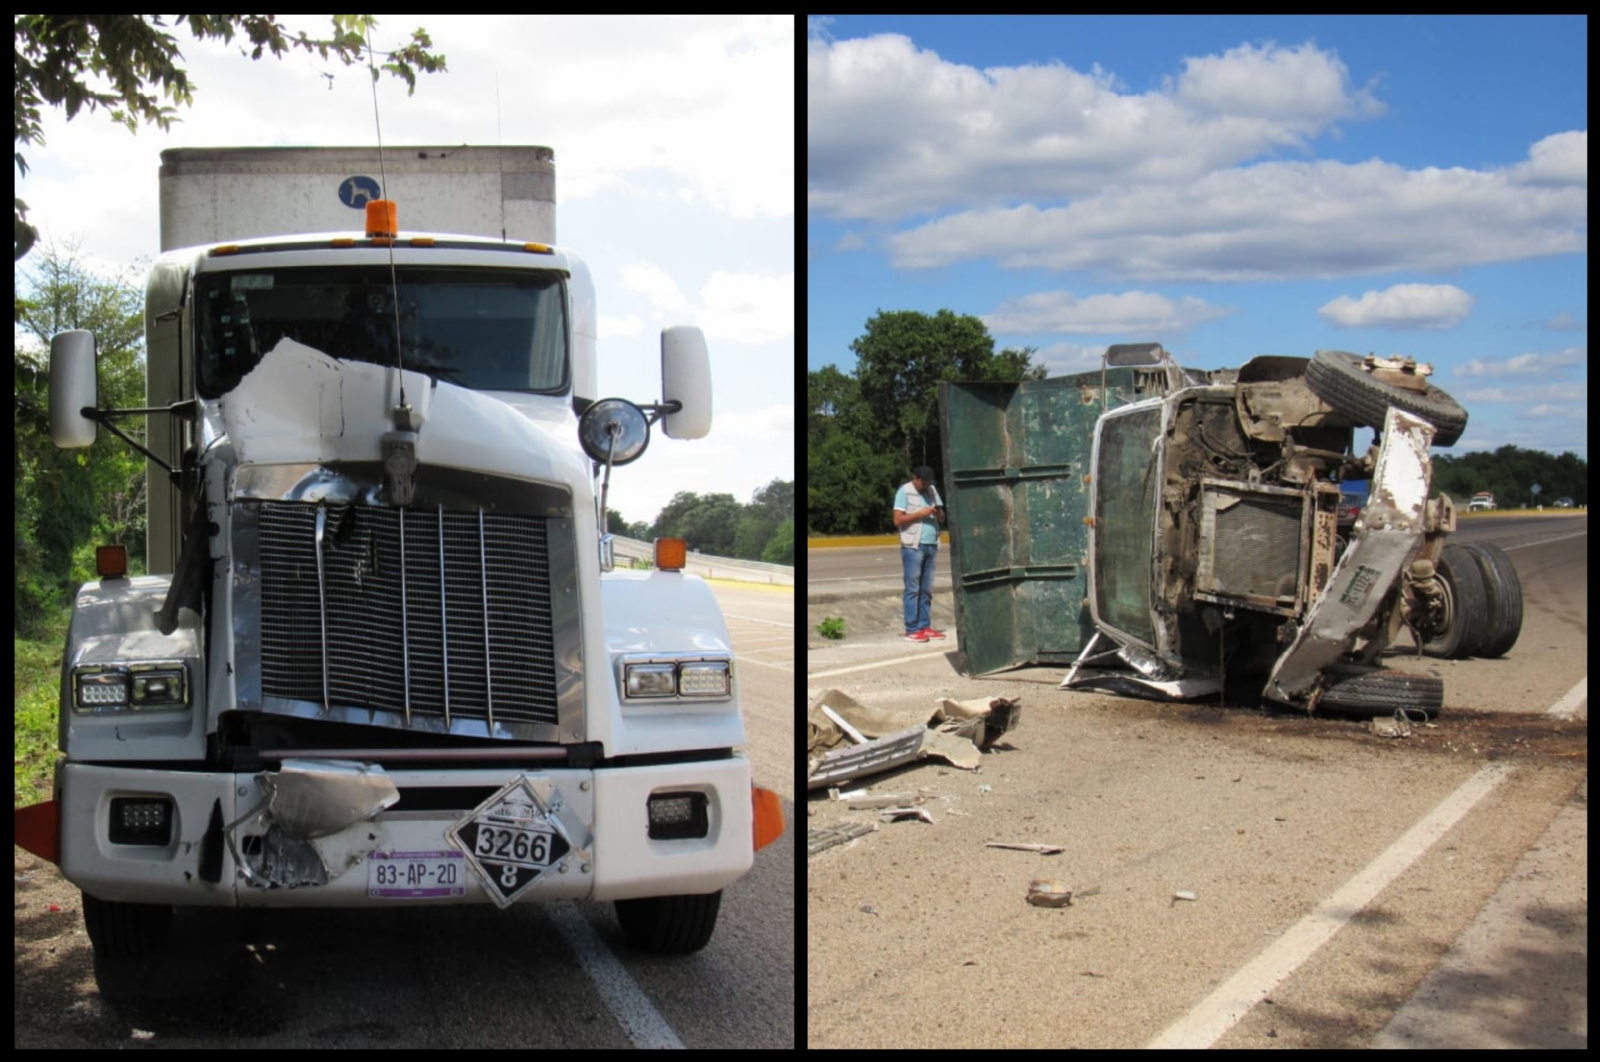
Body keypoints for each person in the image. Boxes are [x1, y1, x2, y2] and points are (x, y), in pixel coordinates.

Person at [893, 465, 947, 642]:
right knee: (913, 589)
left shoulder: (931, 490)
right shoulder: (905, 492)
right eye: (923, 482)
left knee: (926, 589)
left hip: (931, 544)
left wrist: (938, 513)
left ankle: (925, 625)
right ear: (915, 478)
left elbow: (942, 517)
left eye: (928, 483)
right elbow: (898, 519)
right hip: (913, 546)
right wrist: (920, 514)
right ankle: (912, 629)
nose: (926, 486)